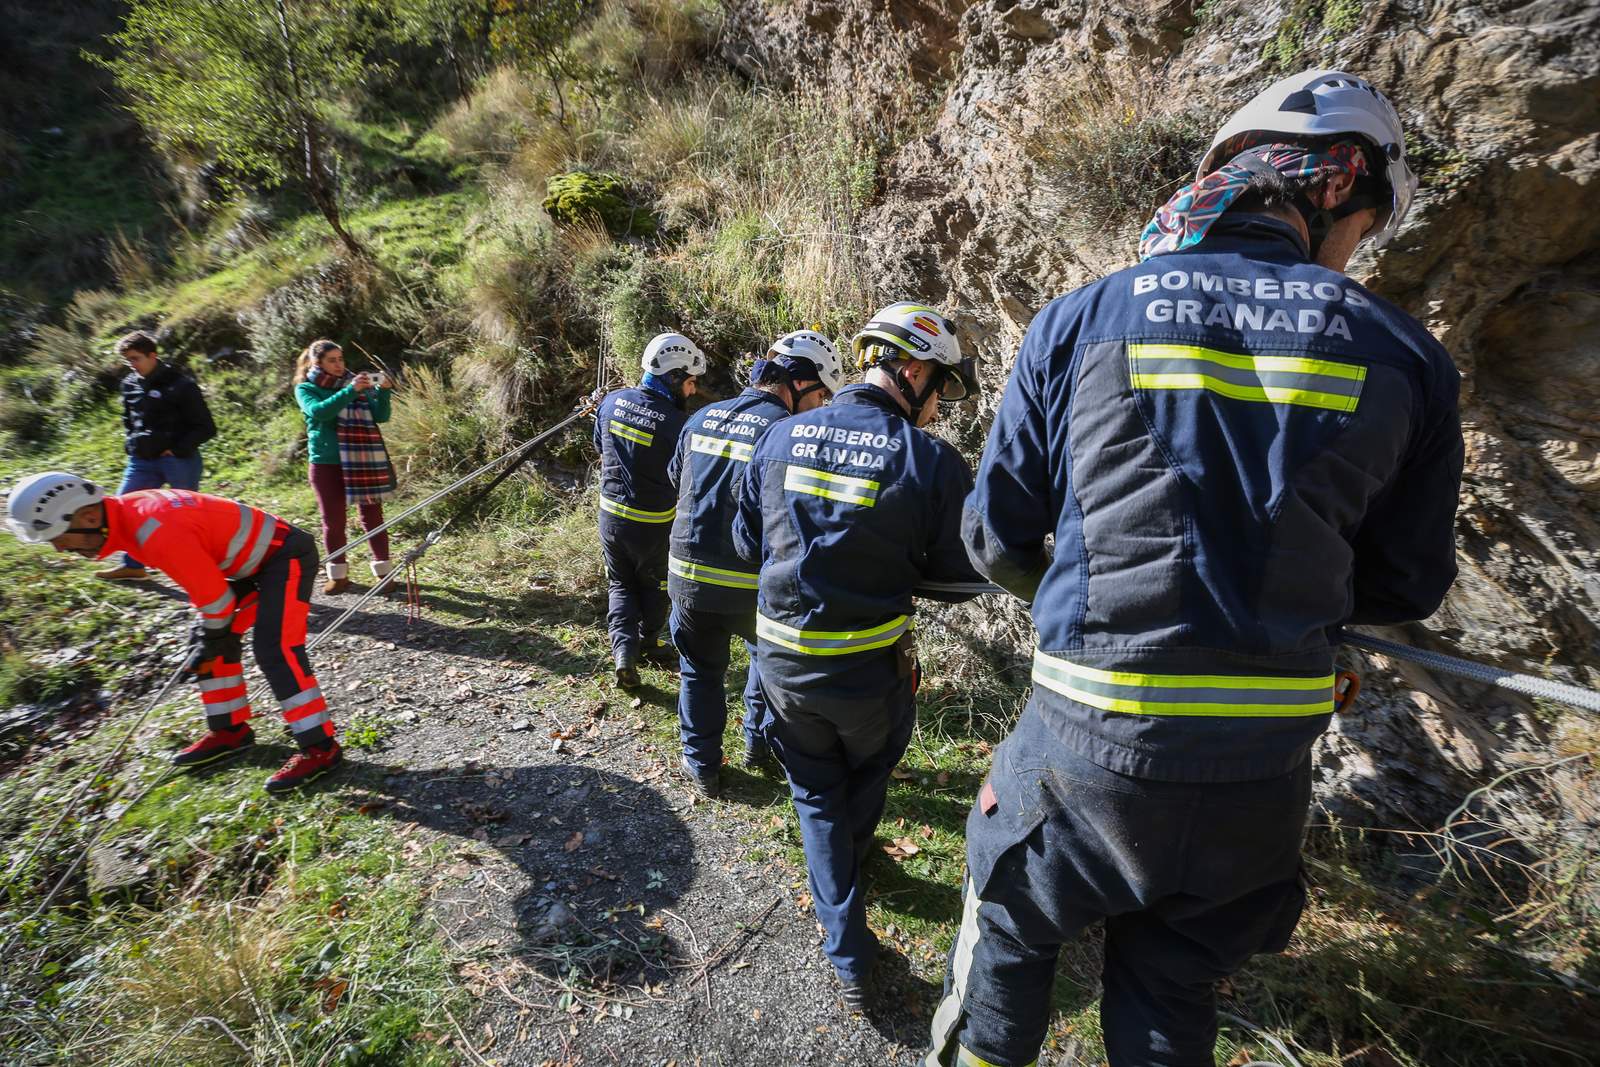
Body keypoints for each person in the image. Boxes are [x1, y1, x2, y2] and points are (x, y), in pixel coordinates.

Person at [926, 69, 1464, 1067]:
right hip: (1258, 774)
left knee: (1006, 937)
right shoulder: (1408, 354)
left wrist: (1078, 590)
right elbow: (1407, 583)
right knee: (1172, 994)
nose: (1354, 254)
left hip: (1083, 741)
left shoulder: (1084, 316)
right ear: (1338, 191)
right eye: (1363, 230)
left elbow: (996, 537)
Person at [733, 303, 984, 1010]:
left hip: (781, 670)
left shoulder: (779, 436)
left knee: (814, 792)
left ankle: (846, 935)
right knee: (869, 768)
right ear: (911, 369)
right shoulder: (928, 458)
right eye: (940, 392)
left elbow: (749, 541)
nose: (937, 410)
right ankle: (852, 884)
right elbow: (963, 577)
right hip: (871, 674)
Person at [6, 473, 343, 793]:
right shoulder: (128, 518)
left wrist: (210, 633)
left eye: (60, 539)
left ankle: (320, 748)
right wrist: (208, 635)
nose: (61, 550)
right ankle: (230, 730)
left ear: (91, 517)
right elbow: (212, 597)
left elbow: (217, 600)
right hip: (246, 565)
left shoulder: (153, 531)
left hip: (283, 558)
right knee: (210, 644)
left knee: (275, 650)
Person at [667, 330, 847, 797]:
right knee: (765, 665)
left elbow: (675, 477)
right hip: (748, 582)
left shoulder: (703, 415)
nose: (821, 405)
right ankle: (756, 744)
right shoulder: (787, 433)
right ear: (801, 383)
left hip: (685, 575)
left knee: (699, 672)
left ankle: (702, 765)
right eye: (822, 393)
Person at [594, 332, 707, 689]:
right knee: (655, 585)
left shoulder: (611, 402)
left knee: (620, 583)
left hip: (610, 516)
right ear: (673, 377)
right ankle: (650, 643)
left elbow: (600, 444)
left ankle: (623, 653)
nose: (693, 391)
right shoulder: (679, 425)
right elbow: (685, 476)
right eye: (690, 382)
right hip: (653, 524)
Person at [97, 330, 217, 581]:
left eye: (136, 358)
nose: (132, 364)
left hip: (179, 461)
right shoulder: (129, 384)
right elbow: (129, 420)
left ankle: (204, 568)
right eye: (128, 360)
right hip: (141, 461)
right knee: (123, 510)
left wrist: (176, 449)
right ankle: (133, 565)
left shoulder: (181, 384)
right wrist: (132, 443)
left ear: (153, 355)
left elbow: (206, 427)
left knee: (186, 518)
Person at [294, 340, 397, 596]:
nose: (339, 365)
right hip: (326, 463)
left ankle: (384, 573)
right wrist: (350, 391)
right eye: (332, 360)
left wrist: (383, 392)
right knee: (333, 521)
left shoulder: (356, 384)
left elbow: (380, 416)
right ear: (317, 363)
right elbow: (319, 412)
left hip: (363, 459)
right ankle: (338, 576)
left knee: (373, 517)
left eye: (341, 359)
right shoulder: (306, 388)